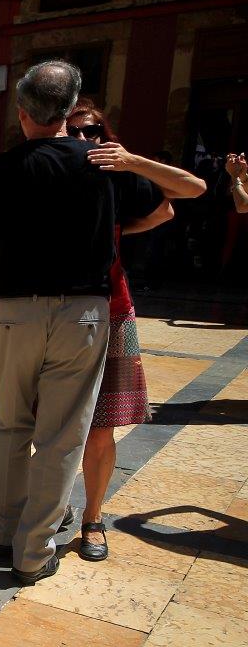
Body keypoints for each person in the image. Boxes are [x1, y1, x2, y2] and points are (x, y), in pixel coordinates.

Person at [0, 60, 170, 585]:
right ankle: (34, 551)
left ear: (22, 113)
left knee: (10, 424)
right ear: (70, 110)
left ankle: (0, 530)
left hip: (16, 312)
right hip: (82, 314)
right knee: (63, 436)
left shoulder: (2, 167)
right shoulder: (104, 163)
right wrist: (113, 229)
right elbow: (168, 207)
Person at [64, 102, 204, 561]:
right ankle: (57, 507)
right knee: (53, 425)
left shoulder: (116, 174)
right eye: (74, 131)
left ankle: (93, 518)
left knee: (101, 428)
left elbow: (190, 191)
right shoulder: (52, 173)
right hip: (58, 314)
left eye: (93, 131)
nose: (84, 140)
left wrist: (131, 161)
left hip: (113, 309)